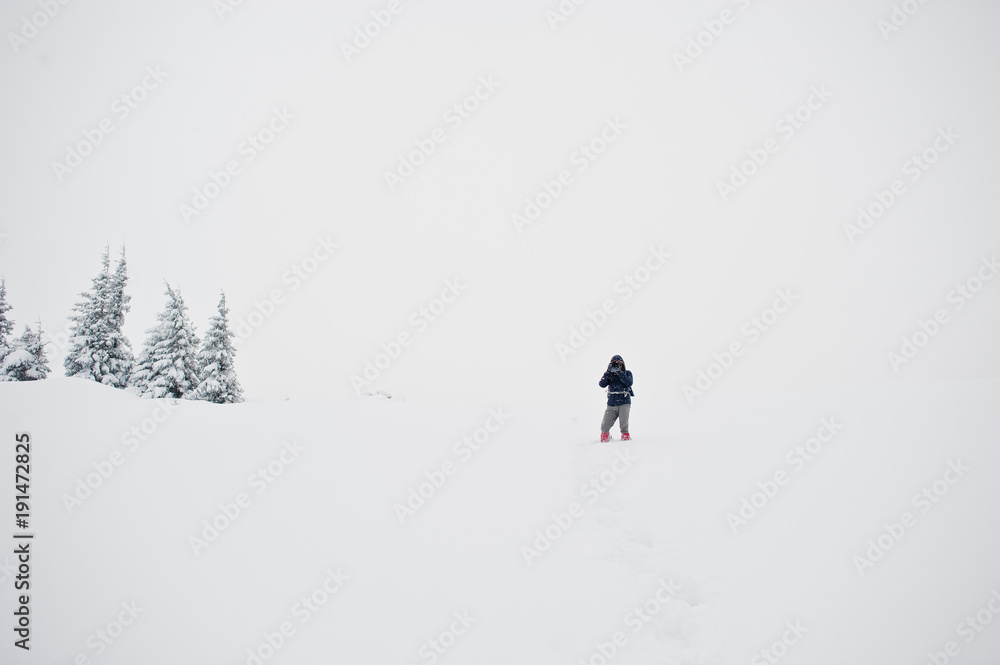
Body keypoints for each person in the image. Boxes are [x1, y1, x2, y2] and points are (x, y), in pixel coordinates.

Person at [598, 355, 633, 442]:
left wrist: (620, 373)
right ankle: (605, 438)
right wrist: (608, 372)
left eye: (619, 364)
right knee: (605, 425)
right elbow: (602, 384)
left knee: (623, 425)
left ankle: (626, 440)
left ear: (623, 364)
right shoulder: (609, 375)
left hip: (624, 401)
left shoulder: (627, 373)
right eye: (615, 364)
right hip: (612, 403)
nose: (617, 366)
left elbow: (629, 383)